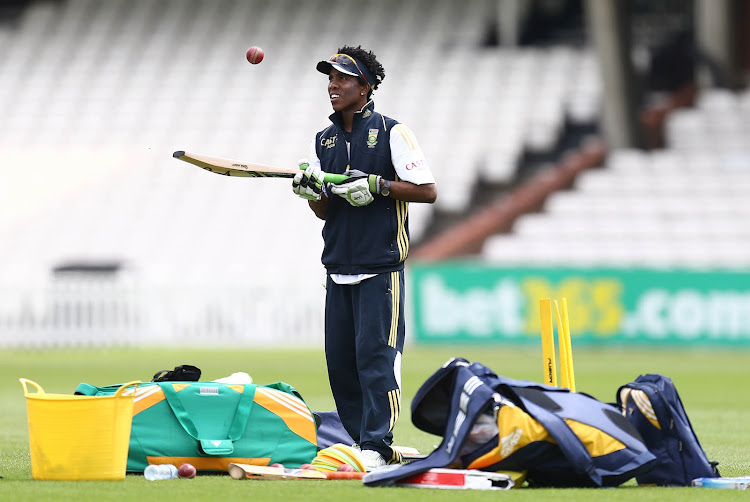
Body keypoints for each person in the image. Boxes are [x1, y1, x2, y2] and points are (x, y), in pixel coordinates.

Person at [292, 45, 437, 471]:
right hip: (338, 265)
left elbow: (426, 190)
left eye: (342, 79)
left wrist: (378, 185)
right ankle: (361, 446)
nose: (333, 87)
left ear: (365, 87)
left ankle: (378, 443)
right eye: (330, 79)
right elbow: (326, 209)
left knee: (376, 360)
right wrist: (311, 193)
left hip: (381, 267)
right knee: (341, 365)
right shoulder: (325, 139)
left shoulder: (393, 131)